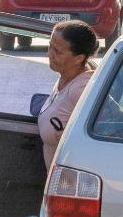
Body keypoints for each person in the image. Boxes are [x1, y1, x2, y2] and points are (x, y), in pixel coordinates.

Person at [38, 20, 98, 168]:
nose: (49, 54)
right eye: (50, 46)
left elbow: (113, 124)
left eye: (57, 51)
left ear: (79, 58)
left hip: (71, 184)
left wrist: (74, 139)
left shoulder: (81, 88)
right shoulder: (67, 76)